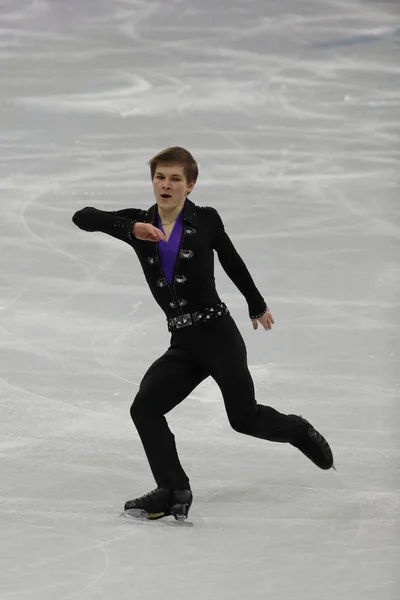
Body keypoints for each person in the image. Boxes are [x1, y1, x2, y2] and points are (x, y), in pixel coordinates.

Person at [72, 146, 334, 521]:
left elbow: (231, 259)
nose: (166, 184)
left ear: (190, 185)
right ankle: (173, 488)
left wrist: (256, 303)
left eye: (175, 178)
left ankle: (298, 430)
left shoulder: (205, 220)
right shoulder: (139, 223)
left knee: (244, 419)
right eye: (160, 177)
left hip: (218, 336)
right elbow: (83, 217)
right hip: (183, 344)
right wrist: (130, 228)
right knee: (145, 408)